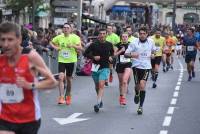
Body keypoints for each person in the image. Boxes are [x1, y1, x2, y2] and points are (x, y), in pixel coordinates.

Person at [0, 22, 57, 134]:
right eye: (2, 40)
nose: (6, 44)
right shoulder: (1, 60)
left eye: (10, 40)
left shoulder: (30, 57)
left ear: (19, 39)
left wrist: (30, 85)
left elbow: (52, 82)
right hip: (5, 118)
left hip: (29, 119)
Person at [124, 27, 156, 115]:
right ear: (138, 34)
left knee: (142, 85)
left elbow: (154, 51)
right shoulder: (134, 43)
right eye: (140, 33)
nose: (142, 35)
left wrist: (153, 55)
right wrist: (132, 55)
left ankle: (140, 106)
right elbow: (125, 54)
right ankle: (137, 93)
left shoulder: (151, 42)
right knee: (137, 86)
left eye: (144, 33)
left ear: (147, 34)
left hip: (146, 66)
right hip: (136, 66)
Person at [50, 23, 82, 105]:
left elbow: (80, 48)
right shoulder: (59, 37)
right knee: (61, 77)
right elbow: (51, 42)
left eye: (67, 28)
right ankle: (61, 97)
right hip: (62, 60)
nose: (65, 29)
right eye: (64, 28)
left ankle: (68, 95)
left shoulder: (75, 37)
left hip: (71, 61)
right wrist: (56, 47)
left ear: (71, 29)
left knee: (69, 80)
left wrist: (73, 45)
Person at [84, 29, 114, 113]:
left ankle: (97, 103)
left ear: (106, 35)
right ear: (98, 35)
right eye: (100, 34)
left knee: (101, 85)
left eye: (104, 34)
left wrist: (111, 58)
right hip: (95, 67)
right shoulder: (94, 44)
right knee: (97, 86)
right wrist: (93, 57)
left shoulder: (109, 44)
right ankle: (100, 100)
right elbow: (85, 53)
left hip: (105, 67)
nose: (102, 35)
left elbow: (112, 54)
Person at [114, 32, 132, 105]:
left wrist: (130, 55)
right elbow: (114, 55)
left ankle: (124, 98)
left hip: (128, 64)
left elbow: (136, 53)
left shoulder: (131, 44)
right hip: (119, 65)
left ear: (128, 37)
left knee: (125, 81)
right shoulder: (117, 45)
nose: (124, 38)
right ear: (121, 37)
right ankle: (121, 96)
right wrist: (121, 51)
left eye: (126, 36)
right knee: (121, 82)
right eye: (123, 36)